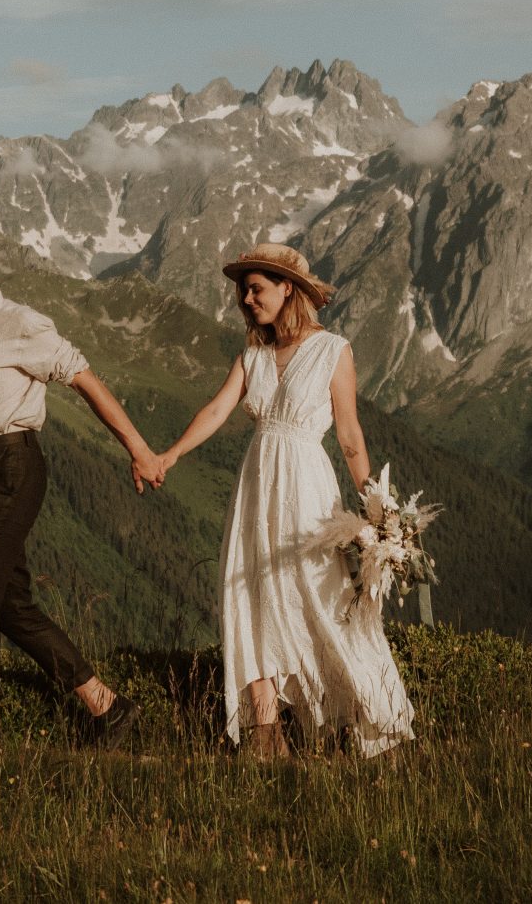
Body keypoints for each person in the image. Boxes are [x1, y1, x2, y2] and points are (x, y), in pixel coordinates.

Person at [153, 241, 414, 757]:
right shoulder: (253, 355)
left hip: (305, 487)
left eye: (256, 289)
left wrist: (379, 514)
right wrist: (170, 455)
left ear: (286, 289)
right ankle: (265, 736)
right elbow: (216, 410)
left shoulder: (333, 349)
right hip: (256, 488)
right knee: (249, 594)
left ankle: (358, 716)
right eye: (242, 291)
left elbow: (350, 437)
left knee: (322, 596)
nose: (247, 299)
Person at [0, 227, 161, 749]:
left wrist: (137, 448)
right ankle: (107, 707)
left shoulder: (20, 323)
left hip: (12, 466)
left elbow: (85, 379)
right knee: (9, 605)